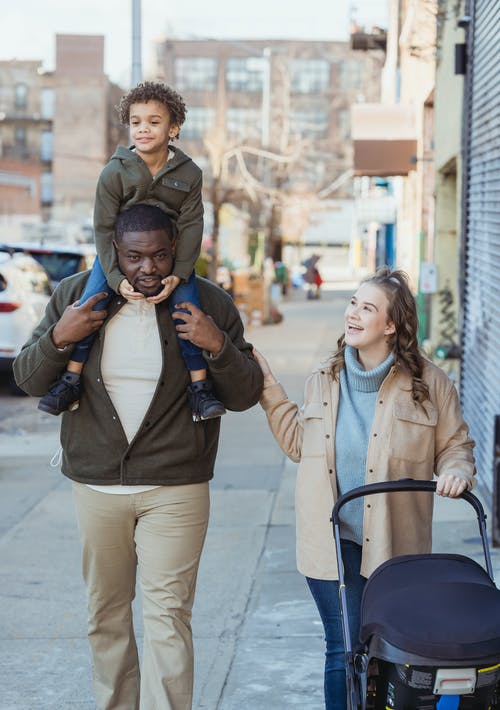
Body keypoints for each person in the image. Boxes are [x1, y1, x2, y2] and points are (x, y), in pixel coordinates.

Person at [14, 204, 263, 710]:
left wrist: (217, 347)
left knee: (168, 618)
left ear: (176, 249)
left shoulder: (208, 301)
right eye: (134, 257)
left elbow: (245, 394)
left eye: (159, 255)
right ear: (114, 252)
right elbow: (27, 378)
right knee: (105, 615)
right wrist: (63, 335)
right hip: (97, 485)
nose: (147, 268)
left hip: (176, 487)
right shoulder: (76, 296)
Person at [252, 266, 475, 710]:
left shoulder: (430, 385)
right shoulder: (324, 377)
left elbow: (456, 446)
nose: (352, 314)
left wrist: (456, 471)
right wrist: (266, 386)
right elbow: (299, 443)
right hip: (330, 542)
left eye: (367, 307)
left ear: (391, 326)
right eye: (353, 302)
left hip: (396, 547)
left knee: (389, 654)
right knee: (346, 648)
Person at [38, 80, 225, 422]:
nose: (144, 129)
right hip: (118, 260)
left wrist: (179, 273)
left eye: (154, 122)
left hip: (169, 260)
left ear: (174, 127)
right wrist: (112, 276)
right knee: (89, 306)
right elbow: (103, 227)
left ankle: (200, 388)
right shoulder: (115, 172)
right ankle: (71, 378)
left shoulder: (189, 173)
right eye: (136, 122)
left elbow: (192, 225)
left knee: (189, 310)